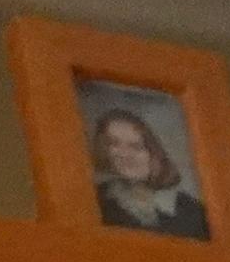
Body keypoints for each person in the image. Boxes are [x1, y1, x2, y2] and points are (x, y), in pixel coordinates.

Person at [84, 98, 208, 239]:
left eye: (136, 147)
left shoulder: (192, 211)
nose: (124, 154)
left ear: (155, 153)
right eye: (114, 144)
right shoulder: (93, 199)